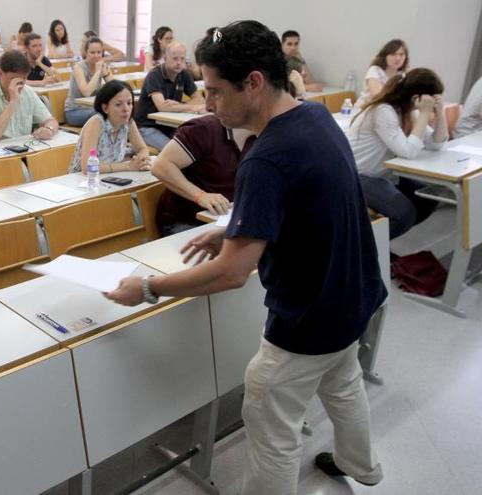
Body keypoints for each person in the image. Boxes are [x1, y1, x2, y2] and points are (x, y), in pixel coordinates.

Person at [107, 21, 387, 494]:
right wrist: (240, 231)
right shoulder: (315, 118)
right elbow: (309, 208)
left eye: (216, 91)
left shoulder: (265, 157)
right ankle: (363, 466)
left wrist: (148, 288)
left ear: (253, 83)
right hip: (352, 297)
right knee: (343, 382)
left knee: (271, 424)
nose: (209, 105)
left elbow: (235, 273)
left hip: (306, 321)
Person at [348, 68, 447, 239]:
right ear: (417, 98)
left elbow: (436, 144)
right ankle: (366, 248)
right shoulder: (383, 111)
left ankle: (381, 242)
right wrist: (424, 113)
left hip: (383, 174)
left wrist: (441, 112)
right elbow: (408, 151)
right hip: (358, 176)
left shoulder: (407, 111)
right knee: (403, 214)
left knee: (427, 197)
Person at [152, 114, 256, 235]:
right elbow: (160, 166)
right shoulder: (204, 129)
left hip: (225, 219)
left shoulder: (261, 139)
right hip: (187, 221)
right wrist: (200, 196)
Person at [0, 50, 59, 142]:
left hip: (20, 150)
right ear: (0, 73)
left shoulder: (27, 91)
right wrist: (13, 101)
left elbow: (51, 120)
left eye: (24, 78)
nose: (20, 84)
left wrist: (49, 129)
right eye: (14, 79)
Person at [68, 80, 150, 174]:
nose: (126, 109)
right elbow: (88, 167)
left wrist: (140, 161)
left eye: (129, 103)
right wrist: (127, 166)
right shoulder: (96, 123)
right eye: (118, 104)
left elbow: (143, 149)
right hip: (82, 181)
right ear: (105, 108)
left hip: (110, 177)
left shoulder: (129, 122)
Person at [135, 42, 206, 150]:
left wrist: (180, 105)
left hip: (169, 126)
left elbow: (199, 99)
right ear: (165, 58)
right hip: (147, 127)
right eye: (175, 58)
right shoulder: (154, 75)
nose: (179, 63)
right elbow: (162, 107)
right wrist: (192, 107)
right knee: (175, 151)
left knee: (194, 145)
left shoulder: (183, 74)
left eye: (182, 59)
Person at [64, 37, 112, 126]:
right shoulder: (78, 67)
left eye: (99, 52)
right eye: (92, 52)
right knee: (103, 113)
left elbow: (115, 90)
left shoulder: (103, 65)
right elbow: (86, 92)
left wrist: (106, 75)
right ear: (86, 53)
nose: (96, 56)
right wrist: (97, 72)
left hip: (92, 108)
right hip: (74, 111)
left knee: (115, 110)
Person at [355, 39, 409, 110]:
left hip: (388, 111)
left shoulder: (403, 75)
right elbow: (377, 96)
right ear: (385, 56)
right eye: (393, 54)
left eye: (401, 54)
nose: (398, 58)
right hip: (365, 110)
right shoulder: (375, 70)